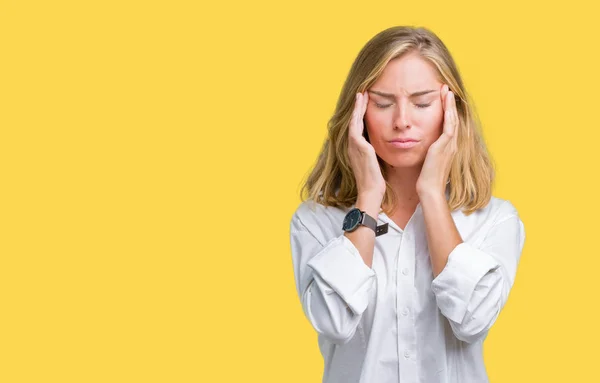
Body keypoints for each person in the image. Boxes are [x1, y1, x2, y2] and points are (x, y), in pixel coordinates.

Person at [289, 26, 526, 383]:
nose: (402, 121)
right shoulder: (315, 221)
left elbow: (472, 321)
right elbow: (334, 321)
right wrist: (368, 198)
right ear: (358, 113)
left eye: (422, 103)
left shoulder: (493, 220)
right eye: (383, 103)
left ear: (452, 111)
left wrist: (431, 193)